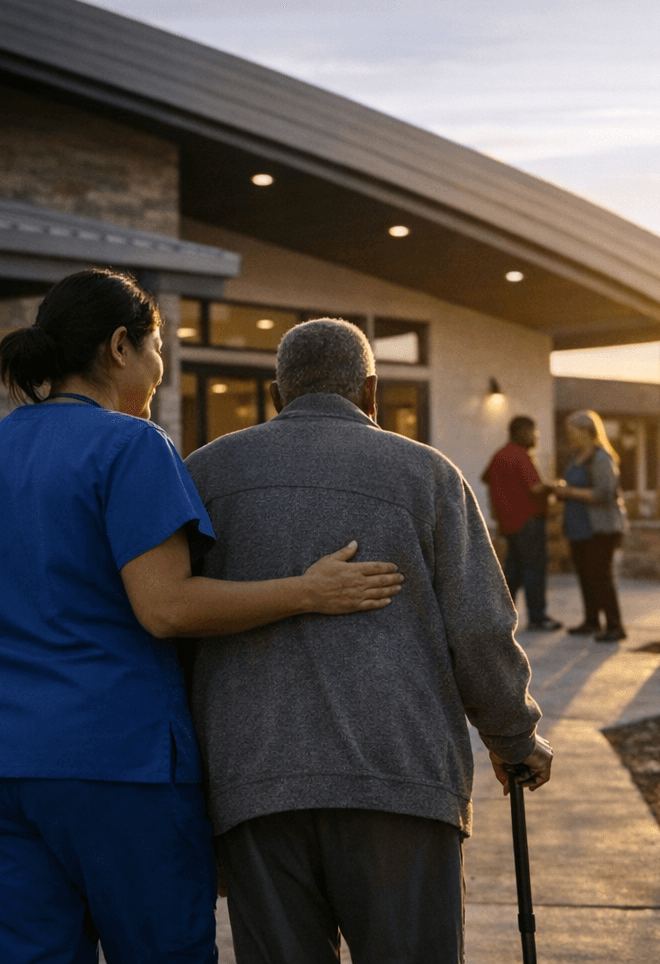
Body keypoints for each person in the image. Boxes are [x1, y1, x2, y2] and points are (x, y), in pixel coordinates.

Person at [0, 270, 403, 964]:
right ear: (120, 347)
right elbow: (166, 607)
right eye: (158, 352)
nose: (159, 373)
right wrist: (308, 591)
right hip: (114, 765)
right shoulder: (130, 446)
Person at [184, 318, 553, 964]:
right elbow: (480, 630)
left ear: (277, 395)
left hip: (255, 785)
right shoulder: (430, 476)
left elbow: (175, 622)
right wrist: (514, 739)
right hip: (399, 780)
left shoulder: (204, 476)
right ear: (372, 392)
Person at [553, 409, 629, 641]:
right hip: (578, 528)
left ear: (586, 431)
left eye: (571, 430)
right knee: (585, 575)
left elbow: (605, 493)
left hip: (600, 528)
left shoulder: (601, 458)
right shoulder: (576, 458)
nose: (568, 435)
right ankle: (591, 621)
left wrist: (570, 491)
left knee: (601, 576)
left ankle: (615, 626)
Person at [482, 415, 561, 631]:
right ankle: (538, 617)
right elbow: (535, 488)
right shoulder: (520, 456)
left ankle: (502, 617)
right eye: (533, 432)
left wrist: (498, 512)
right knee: (534, 569)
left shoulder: (499, 456)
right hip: (528, 521)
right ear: (522, 431)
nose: (536, 436)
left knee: (512, 572)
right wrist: (556, 487)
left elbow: (488, 480)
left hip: (508, 523)